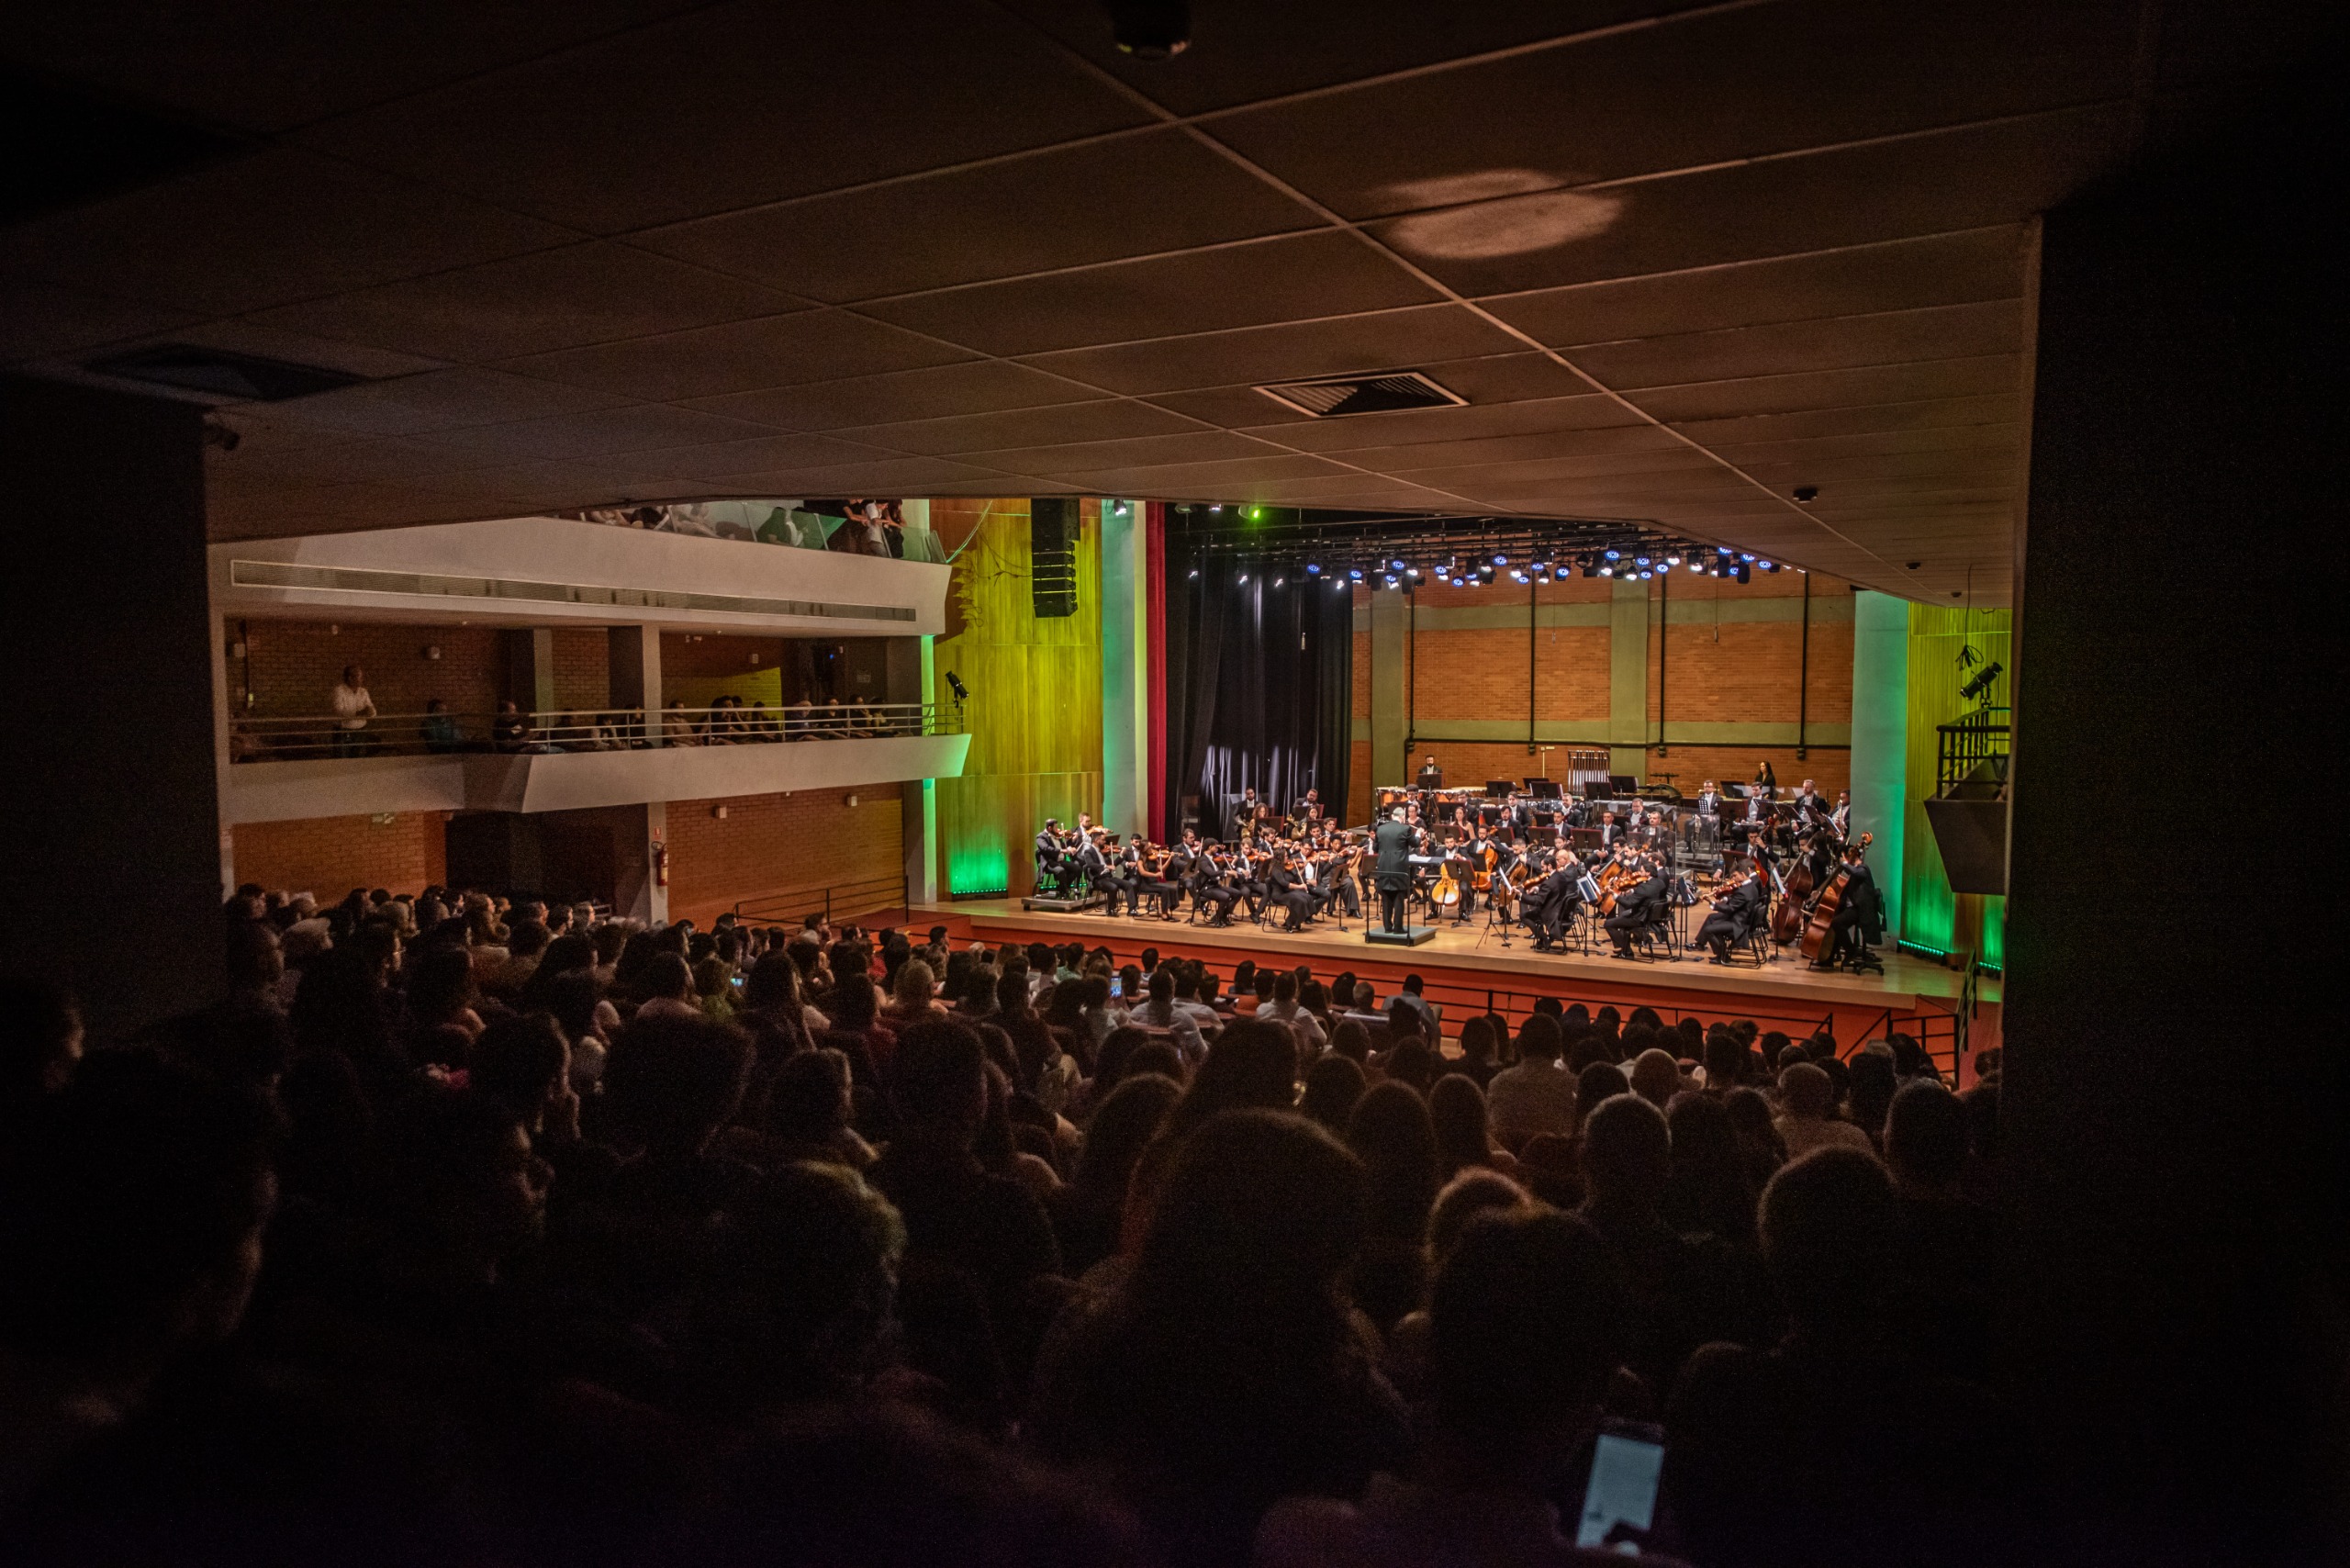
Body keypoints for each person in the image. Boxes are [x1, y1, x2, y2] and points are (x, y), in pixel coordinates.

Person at [1372, 805, 1413, 935]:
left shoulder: (1380, 829)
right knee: (1399, 896)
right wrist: (1420, 835)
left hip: (1383, 867)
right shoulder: (1406, 829)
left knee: (1386, 896)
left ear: (1392, 817)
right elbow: (1415, 843)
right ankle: (1398, 927)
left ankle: (1387, 927)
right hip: (1399, 867)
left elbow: (1375, 848)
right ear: (1402, 817)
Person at [330, 663, 377, 756]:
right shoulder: (339, 691)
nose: (362, 679)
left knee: (358, 760)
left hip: (361, 730)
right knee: (341, 760)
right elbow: (339, 711)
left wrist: (371, 712)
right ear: (350, 678)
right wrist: (360, 713)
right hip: (343, 731)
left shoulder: (363, 692)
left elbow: (372, 709)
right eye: (359, 677)